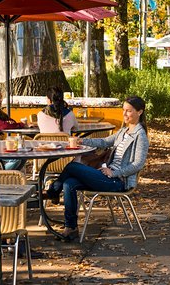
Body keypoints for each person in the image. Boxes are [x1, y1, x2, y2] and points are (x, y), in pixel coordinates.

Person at [44, 96, 149, 241]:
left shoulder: (140, 136)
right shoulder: (123, 131)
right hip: (105, 174)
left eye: (129, 111)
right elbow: (104, 142)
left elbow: (138, 164)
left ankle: (53, 191)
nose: (124, 114)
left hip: (117, 181)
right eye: (123, 110)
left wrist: (114, 173)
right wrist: (83, 140)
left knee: (73, 166)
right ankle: (71, 228)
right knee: (69, 184)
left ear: (140, 112)